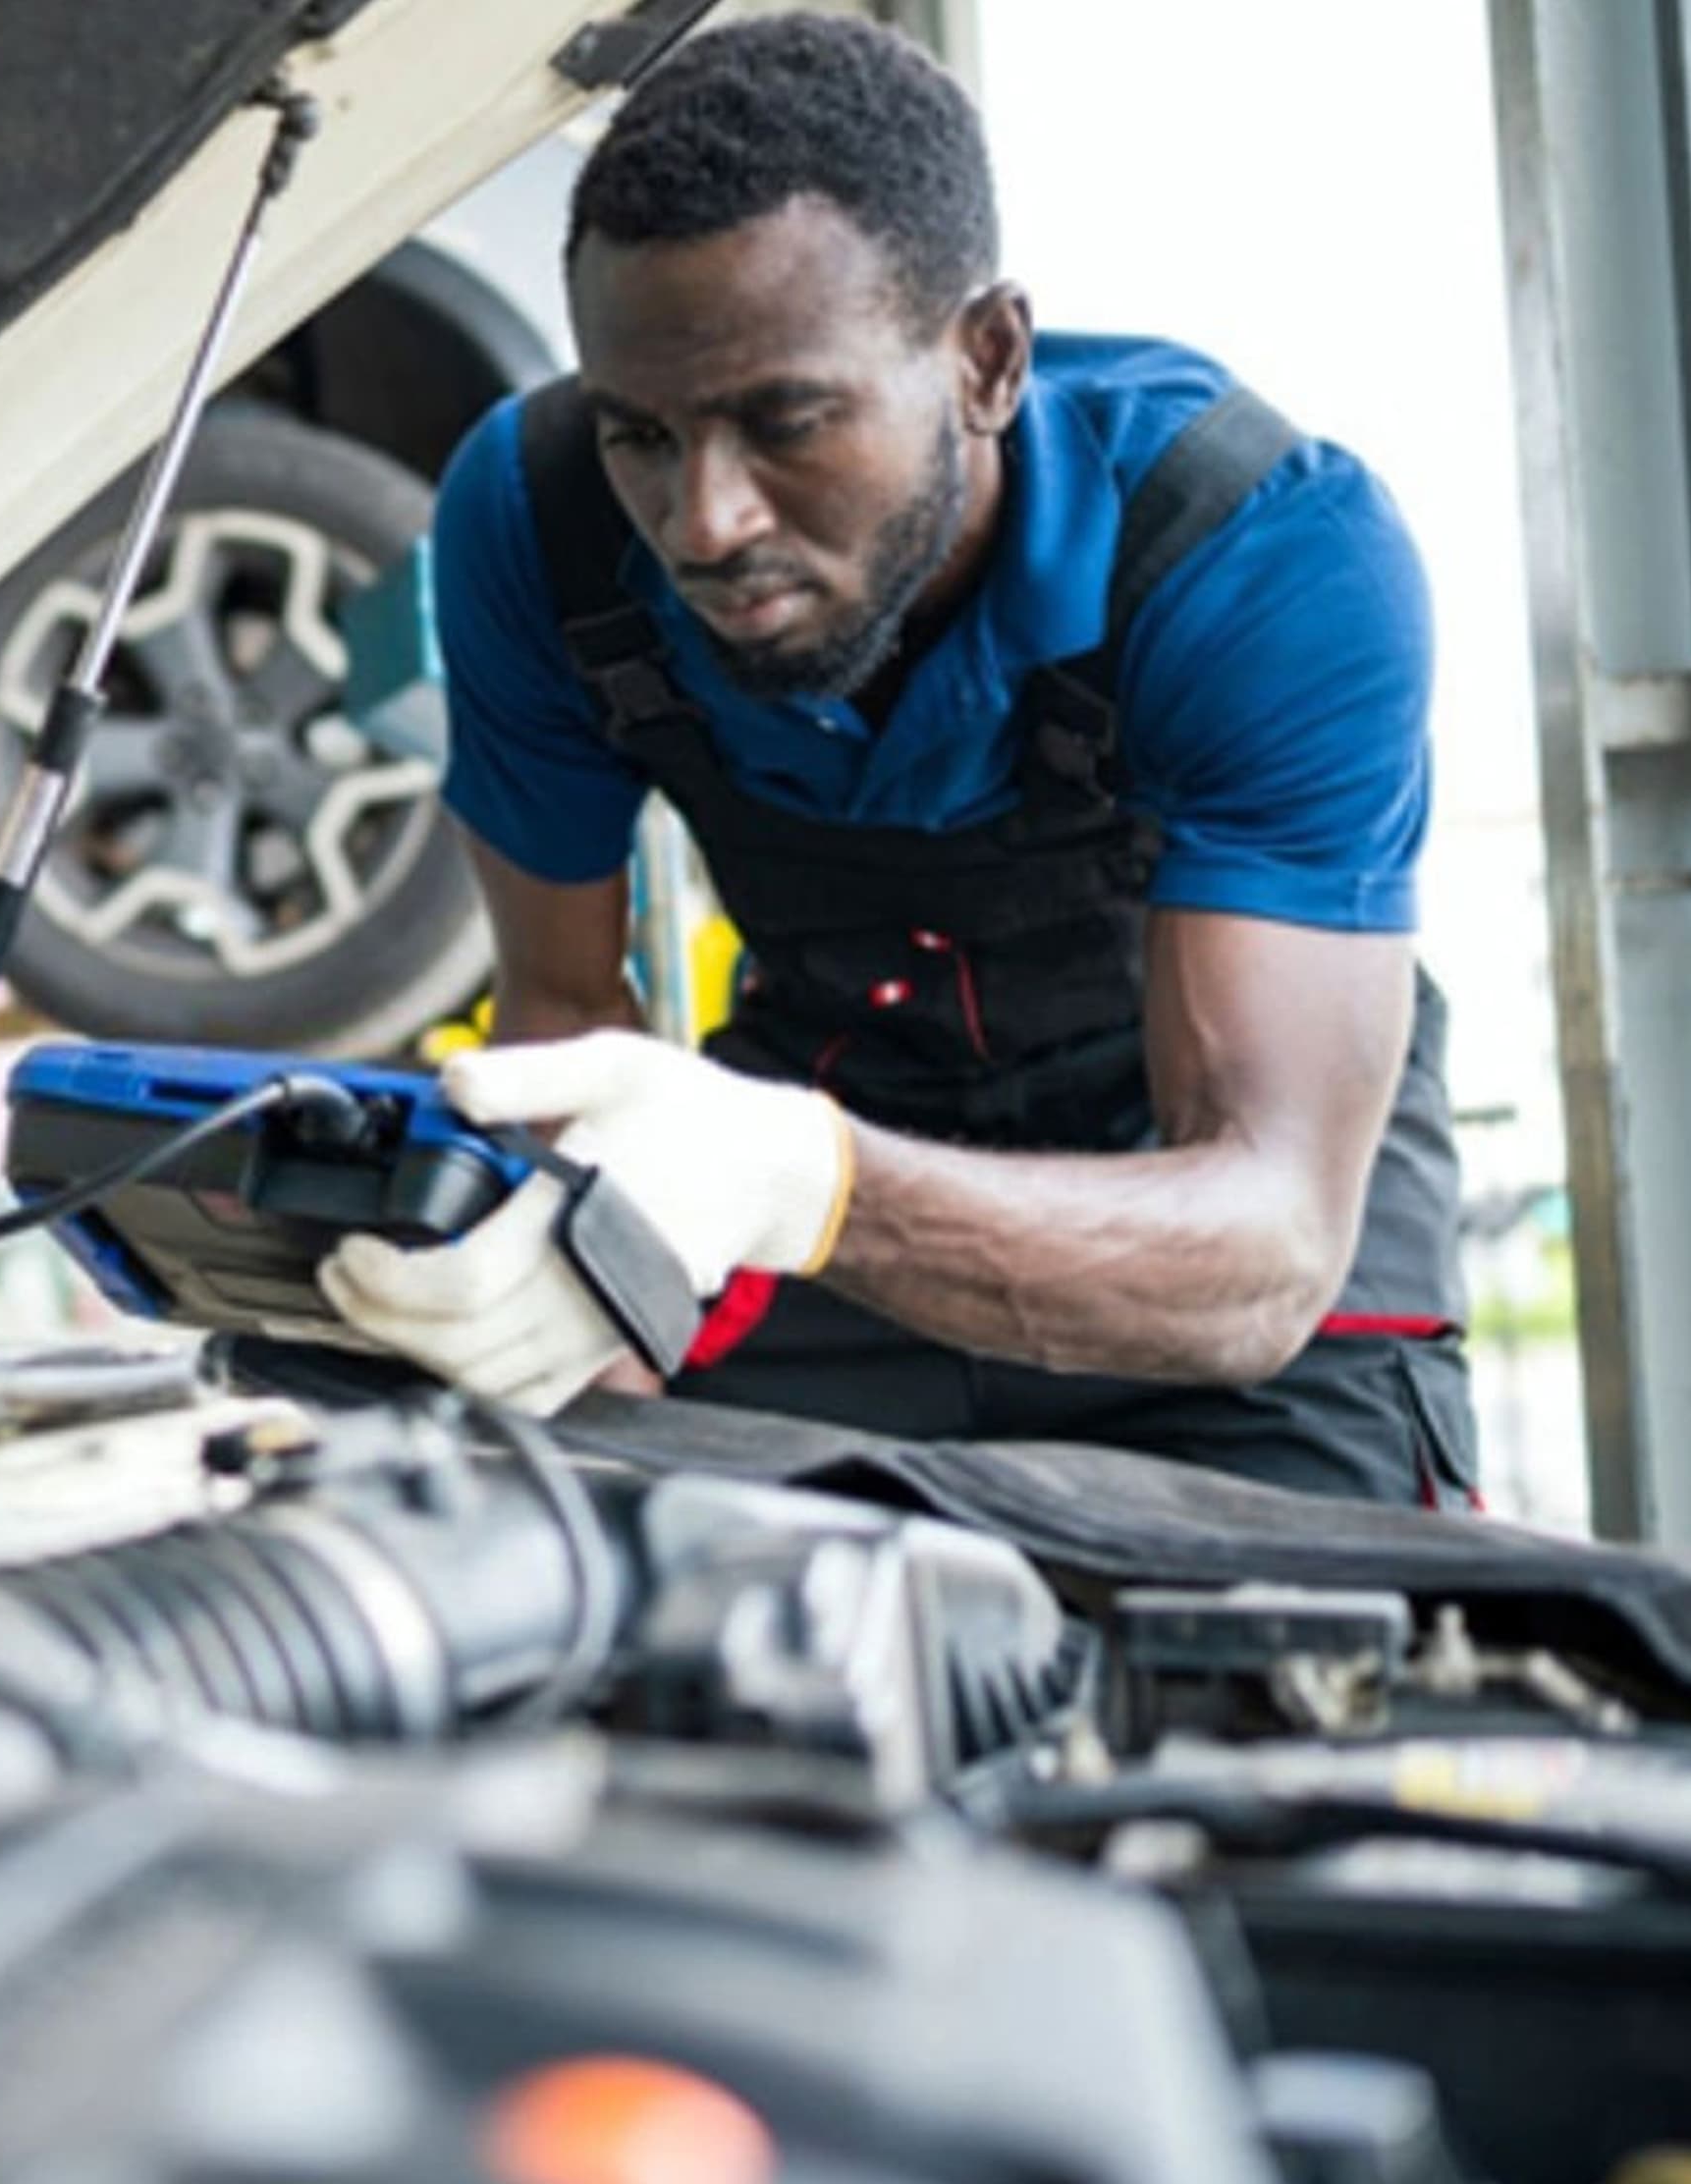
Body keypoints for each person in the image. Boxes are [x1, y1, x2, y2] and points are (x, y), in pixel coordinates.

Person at [319, 14, 1474, 1507]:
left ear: (988, 359)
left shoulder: (1255, 550)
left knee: (1315, 1688)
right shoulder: (533, 520)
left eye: (784, 421)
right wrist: (555, 1346)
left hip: (1219, 1271)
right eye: (642, 435)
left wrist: (799, 1180)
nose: (701, 520)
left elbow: (1259, 1255)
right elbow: (559, 1008)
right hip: (811, 1194)